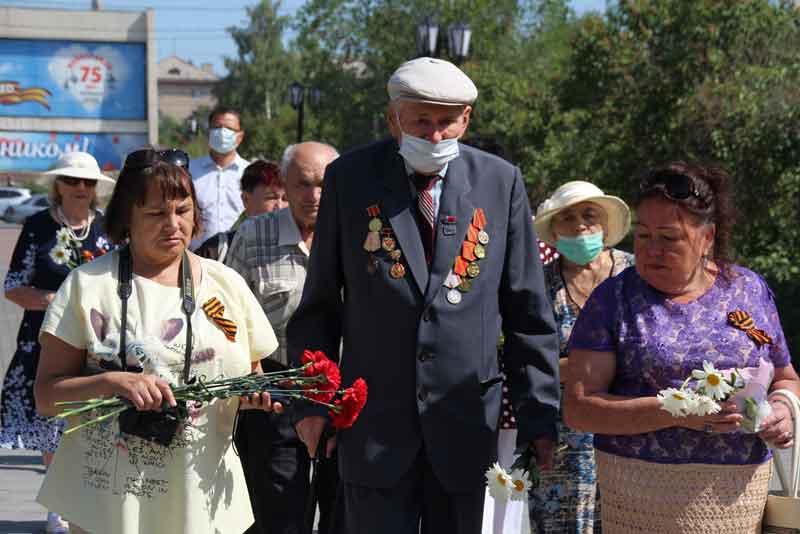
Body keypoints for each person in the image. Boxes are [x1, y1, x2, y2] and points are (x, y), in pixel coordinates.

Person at [286, 57, 560, 533]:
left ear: (466, 120)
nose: (435, 136)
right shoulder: (350, 180)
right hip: (373, 427)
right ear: (394, 118)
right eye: (422, 122)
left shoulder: (500, 182)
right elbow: (320, 307)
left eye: (447, 122)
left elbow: (527, 312)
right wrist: (313, 405)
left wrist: (540, 416)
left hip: (466, 428)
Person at [33, 148, 281, 534]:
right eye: (155, 214)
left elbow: (252, 373)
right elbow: (47, 397)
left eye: (182, 210)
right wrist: (112, 383)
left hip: (200, 496)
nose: (173, 225)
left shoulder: (225, 284)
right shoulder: (87, 287)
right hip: (109, 502)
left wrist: (254, 397)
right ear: (125, 218)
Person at [564, 161, 800, 534]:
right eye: (642, 236)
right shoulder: (614, 299)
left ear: (707, 237)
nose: (652, 250)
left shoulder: (749, 290)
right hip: (640, 503)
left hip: (737, 506)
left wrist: (784, 409)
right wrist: (675, 412)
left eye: (669, 238)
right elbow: (579, 409)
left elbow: (786, 377)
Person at [226, 141, 341, 534]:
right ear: (285, 187)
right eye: (303, 185)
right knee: (279, 516)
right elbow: (225, 320)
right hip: (274, 392)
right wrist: (250, 377)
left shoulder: (359, 234)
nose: (314, 196)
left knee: (344, 513)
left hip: (341, 398)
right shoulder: (254, 235)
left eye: (324, 184)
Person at [0, 151, 114, 533]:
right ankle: (56, 505)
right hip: (45, 340)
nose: (81, 188)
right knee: (52, 421)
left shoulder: (110, 229)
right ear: (59, 185)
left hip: (99, 342)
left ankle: (85, 500)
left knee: (90, 422)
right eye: (72, 181)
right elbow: (13, 286)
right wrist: (54, 301)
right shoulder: (36, 226)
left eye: (88, 182)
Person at [526, 181, 633, 534]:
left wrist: (578, 368)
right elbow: (526, 360)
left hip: (632, 430)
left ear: (605, 225)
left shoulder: (634, 276)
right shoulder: (537, 285)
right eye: (568, 218)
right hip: (560, 439)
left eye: (589, 215)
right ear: (553, 232)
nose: (580, 225)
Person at [195, 159, 287, 263]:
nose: (280, 206)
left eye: (286, 199)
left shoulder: (300, 248)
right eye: (271, 198)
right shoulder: (216, 251)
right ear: (246, 200)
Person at [189, 107, 249, 249]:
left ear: (240, 137)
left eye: (229, 128)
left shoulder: (250, 173)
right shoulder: (190, 171)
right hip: (199, 257)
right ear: (208, 133)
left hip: (241, 256)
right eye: (217, 127)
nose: (222, 133)